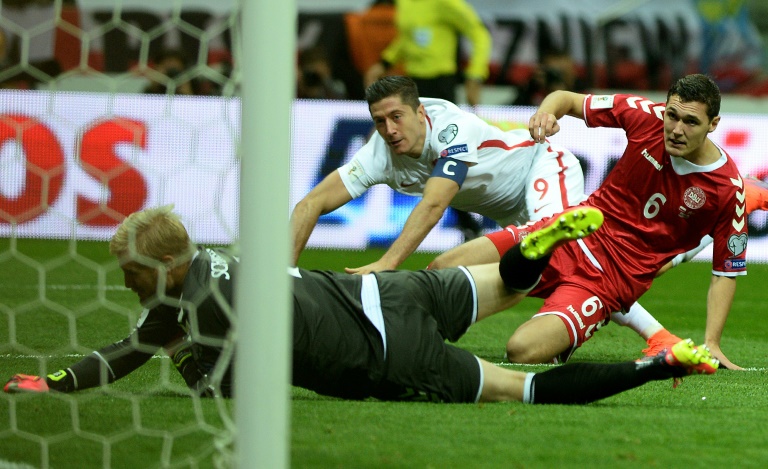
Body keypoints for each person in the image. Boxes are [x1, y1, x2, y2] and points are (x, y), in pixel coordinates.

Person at [4, 205, 720, 404]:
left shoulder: (199, 303)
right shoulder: (211, 264)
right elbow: (130, 346)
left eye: (132, 271)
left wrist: (182, 356)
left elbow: (220, 388)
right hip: (388, 289)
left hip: (388, 352)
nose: (127, 282)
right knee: (511, 283)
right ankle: (538, 249)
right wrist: (59, 381)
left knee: (522, 388)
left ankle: (656, 366)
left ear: (164, 266)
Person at [495, 74, 747, 370]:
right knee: (451, 268)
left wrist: (712, 342)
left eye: (691, 122)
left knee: (521, 350)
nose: (677, 130)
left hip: (608, 280)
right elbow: (566, 98)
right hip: (569, 235)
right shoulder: (646, 115)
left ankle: (566, 336)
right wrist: (546, 113)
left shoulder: (727, 189)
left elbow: (725, 272)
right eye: (672, 116)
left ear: (713, 124)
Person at [290, 75, 585, 273]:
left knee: (561, 249)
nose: (389, 130)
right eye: (379, 121)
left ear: (420, 113)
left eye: (396, 117)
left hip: (542, 166)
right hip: (509, 213)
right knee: (555, 270)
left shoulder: (451, 127)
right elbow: (311, 203)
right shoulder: (377, 154)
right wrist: (284, 274)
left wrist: (387, 263)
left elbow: (434, 203)